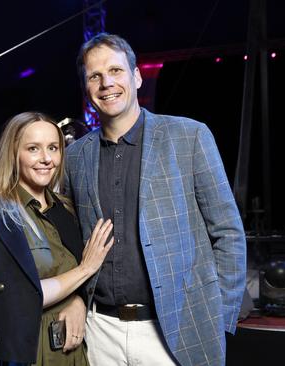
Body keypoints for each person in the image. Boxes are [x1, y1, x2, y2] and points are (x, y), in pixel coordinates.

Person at [63, 33, 247, 366]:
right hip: (100, 331)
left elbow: (228, 232)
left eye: (116, 71)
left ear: (135, 76)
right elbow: (71, 241)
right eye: (95, 76)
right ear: (86, 88)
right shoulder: (74, 157)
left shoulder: (189, 136)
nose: (107, 83)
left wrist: (218, 315)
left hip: (177, 329)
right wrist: (75, 300)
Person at [0, 112, 114, 366]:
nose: (46, 159)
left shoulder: (67, 209)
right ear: (14, 153)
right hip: (20, 355)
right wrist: (85, 270)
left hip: (72, 355)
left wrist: (78, 300)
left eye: (53, 148)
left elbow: (89, 286)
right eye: (33, 149)